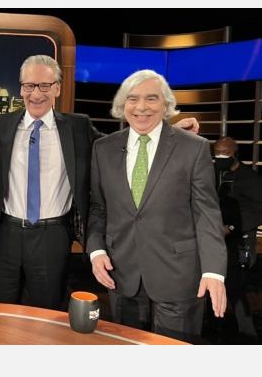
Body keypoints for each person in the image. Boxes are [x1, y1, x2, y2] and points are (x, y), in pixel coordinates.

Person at [0, 55, 200, 310]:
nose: (36, 94)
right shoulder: (1, 126)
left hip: (52, 237)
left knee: (47, 315)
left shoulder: (77, 127)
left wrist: (168, 131)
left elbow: (122, 145)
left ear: (57, 88)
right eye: (29, 86)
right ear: (21, 88)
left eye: (44, 85)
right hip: (5, 235)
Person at [86, 69, 227, 342]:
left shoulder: (193, 148)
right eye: (132, 99)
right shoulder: (103, 149)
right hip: (121, 273)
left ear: (166, 105)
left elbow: (207, 213)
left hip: (179, 276)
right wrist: (96, 250)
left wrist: (213, 270)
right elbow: (98, 208)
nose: (141, 107)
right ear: (122, 105)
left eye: (151, 98)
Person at [213, 136, 262, 341]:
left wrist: (232, 227)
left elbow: (258, 209)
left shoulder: (249, 178)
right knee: (214, 286)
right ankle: (215, 330)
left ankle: (248, 335)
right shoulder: (215, 174)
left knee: (236, 289)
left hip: (240, 242)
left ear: (234, 154)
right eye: (217, 155)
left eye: (224, 154)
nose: (220, 158)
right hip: (216, 241)